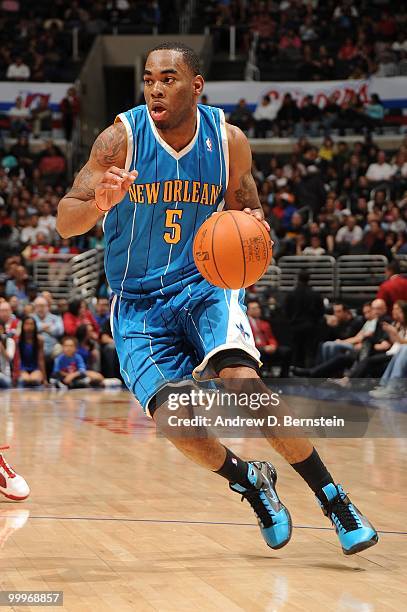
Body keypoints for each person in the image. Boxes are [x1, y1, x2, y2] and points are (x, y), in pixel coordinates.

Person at [56, 42, 377, 555]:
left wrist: (254, 227)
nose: (156, 88)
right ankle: (251, 480)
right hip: (137, 302)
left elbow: (248, 211)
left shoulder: (229, 142)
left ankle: (334, 499)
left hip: (205, 286)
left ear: (196, 85)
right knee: (175, 423)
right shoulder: (119, 139)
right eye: (148, 79)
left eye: (168, 78)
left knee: (246, 387)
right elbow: (65, 221)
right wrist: (99, 201)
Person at [285, 270, 324, 368]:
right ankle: (309, 374)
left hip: (295, 326)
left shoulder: (291, 294)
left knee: (296, 350)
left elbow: (286, 310)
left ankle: (295, 372)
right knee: (310, 351)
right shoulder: (315, 294)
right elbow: (321, 311)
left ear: (298, 279)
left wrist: (291, 321)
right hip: (311, 326)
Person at [247, 300, 291, 377]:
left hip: (267, 347)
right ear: (248, 311)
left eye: (258, 308)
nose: (258, 310)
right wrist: (263, 348)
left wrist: (273, 345)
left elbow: (271, 337)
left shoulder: (265, 323)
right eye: (254, 308)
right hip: (255, 348)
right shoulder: (245, 324)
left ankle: (283, 377)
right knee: (258, 353)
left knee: (286, 351)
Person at [16, 317, 47, 387]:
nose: (29, 326)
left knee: (35, 380)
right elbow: (17, 359)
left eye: (31, 324)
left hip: (35, 368)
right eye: (27, 324)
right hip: (23, 368)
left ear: (35, 326)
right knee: (25, 380)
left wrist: (44, 378)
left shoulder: (39, 340)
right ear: (23, 326)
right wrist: (16, 374)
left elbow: (41, 360)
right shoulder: (18, 340)